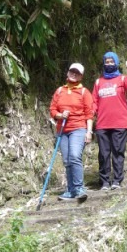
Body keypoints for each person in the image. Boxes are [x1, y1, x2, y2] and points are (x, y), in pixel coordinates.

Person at [91, 52, 127, 189]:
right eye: (106, 61)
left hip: (120, 122)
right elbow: (94, 101)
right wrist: (91, 117)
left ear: (117, 63)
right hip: (102, 123)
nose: (109, 63)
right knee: (103, 153)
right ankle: (105, 181)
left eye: (112, 61)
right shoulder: (98, 82)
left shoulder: (123, 79)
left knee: (118, 152)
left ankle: (117, 180)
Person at [49, 62, 94, 201]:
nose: (74, 74)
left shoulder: (83, 92)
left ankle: (79, 188)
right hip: (62, 130)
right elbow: (52, 110)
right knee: (67, 160)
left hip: (78, 128)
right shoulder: (59, 91)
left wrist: (89, 132)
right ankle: (70, 190)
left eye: (77, 73)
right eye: (72, 71)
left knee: (75, 156)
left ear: (81, 76)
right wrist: (60, 115)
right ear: (67, 73)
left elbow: (89, 113)